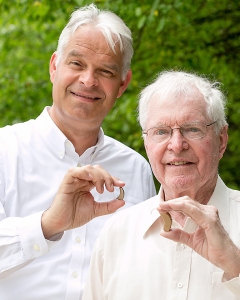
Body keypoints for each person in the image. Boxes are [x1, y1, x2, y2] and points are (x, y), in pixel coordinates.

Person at [0, 4, 156, 300]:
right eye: (76, 64)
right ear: (54, 66)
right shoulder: (4, 150)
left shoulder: (137, 169)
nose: (88, 80)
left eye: (105, 71)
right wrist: (48, 224)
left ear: (122, 84)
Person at [82, 70, 240, 300]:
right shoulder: (116, 234)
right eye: (161, 132)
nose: (176, 145)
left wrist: (235, 265)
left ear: (221, 140)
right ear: (147, 144)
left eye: (193, 129)